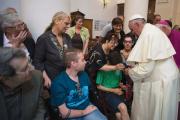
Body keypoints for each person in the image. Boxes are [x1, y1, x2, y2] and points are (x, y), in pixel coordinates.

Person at [125, 14, 179, 120]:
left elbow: (146, 68)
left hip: (161, 81)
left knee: (157, 114)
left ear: (137, 24)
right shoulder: (151, 30)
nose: (132, 32)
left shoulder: (148, 34)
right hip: (166, 77)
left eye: (132, 29)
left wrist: (130, 72)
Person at [50, 49, 107, 120]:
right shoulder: (58, 83)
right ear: (73, 63)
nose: (85, 62)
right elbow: (64, 113)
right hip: (72, 114)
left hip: (86, 107)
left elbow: (92, 92)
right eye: (82, 60)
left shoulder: (84, 75)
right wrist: (84, 112)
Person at [0, 47, 46, 120]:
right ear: (5, 78)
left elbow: (39, 110)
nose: (32, 68)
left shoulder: (36, 77)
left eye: (29, 62)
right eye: (25, 69)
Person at [33, 11, 72, 88]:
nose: (68, 26)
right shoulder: (44, 39)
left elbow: (71, 54)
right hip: (52, 79)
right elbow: (37, 62)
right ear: (56, 21)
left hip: (67, 76)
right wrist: (45, 78)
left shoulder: (67, 37)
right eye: (66, 23)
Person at [96, 49, 130, 120]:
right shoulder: (103, 70)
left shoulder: (118, 68)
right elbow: (98, 86)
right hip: (107, 94)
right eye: (115, 66)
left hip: (118, 92)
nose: (117, 67)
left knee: (119, 115)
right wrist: (113, 90)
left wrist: (122, 86)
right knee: (123, 108)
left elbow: (118, 81)